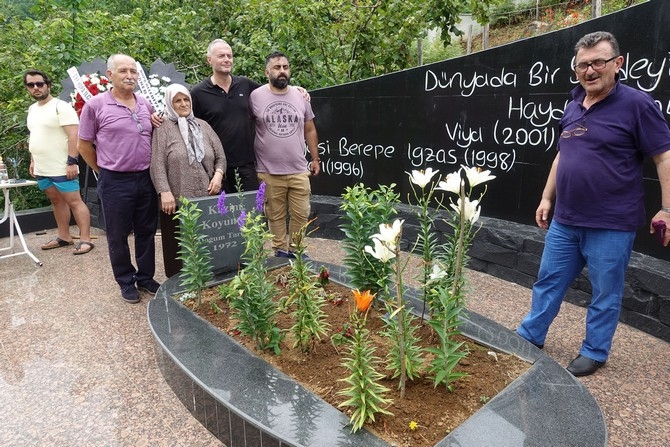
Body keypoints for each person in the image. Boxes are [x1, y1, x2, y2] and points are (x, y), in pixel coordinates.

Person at [516, 31, 670, 377]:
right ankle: (531, 334)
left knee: (604, 292)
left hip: (611, 224)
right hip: (565, 220)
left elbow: (663, 157)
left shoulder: (637, 104)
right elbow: (562, 156)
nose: (590, 70)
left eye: (598, 62)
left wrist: (668, 209)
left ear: (617, 64)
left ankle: (594, 351)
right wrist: (546, 197)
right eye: (582, 64)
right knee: (548, 281)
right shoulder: (572, 106)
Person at [77, 54, 161, 304]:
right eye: (123, 70)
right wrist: (103, 170)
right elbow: (83, 145)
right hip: (114, 180)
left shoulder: (145, 104)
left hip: (145, 177)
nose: (130, 76)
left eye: (134, 71)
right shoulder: (96, 105)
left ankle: (146, 278)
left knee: (146, 230)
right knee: (117, 234)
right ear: (109, 75)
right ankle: (126, 280)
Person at [150, 83, 227, 277]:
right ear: (170, 103)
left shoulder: (203, 125)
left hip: (207, 196)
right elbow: (157, 163)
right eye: (177, 100)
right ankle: (179, 284)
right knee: (179, 247)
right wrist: (164, 192)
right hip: (176, 199)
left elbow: (221, 157)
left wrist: (218, 175)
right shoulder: (163, 127)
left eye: (186, 99)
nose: (183, 104)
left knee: (208, 243)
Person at [249, 51, 320, 258]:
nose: (282, 71)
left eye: (285, 67)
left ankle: (296, 250)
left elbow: (310, 129)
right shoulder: (256, 96)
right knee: (275, 215)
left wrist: (315, 159)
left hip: (298, 169)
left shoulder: (301, 96)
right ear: (267, 72)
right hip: (268, 170)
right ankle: (280, 251)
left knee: (301, 213)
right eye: (277, 68)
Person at [23, 69, 94, 255]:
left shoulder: (60, 107)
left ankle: (85, 239)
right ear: (27, 88)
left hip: (62, 166)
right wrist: (33, 160)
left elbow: (74, 136)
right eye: (31, 85)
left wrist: (72, 161)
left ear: (48, 84)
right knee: (56, 201)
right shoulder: (32, 109)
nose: (36, 88)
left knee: (74, 202)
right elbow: (36, 135)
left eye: (39, 83)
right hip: (42, 166)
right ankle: (64, 237)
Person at [190, 39, 261, 193]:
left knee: (253, 214)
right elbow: (188, 125)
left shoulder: (245, 84)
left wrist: (294, 89)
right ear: (209, 60)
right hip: (215, 168)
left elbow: (271, 93)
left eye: (229, 56)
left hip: (246, 164)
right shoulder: (198, 93)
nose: (227, 59)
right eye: (221, 56)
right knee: (223, 215)